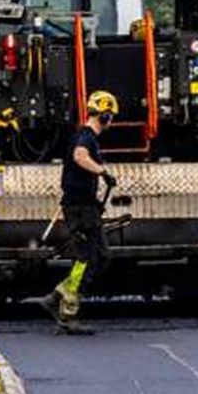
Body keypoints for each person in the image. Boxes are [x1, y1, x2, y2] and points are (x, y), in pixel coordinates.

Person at [40, 90, 119, 335]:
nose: (111, 121)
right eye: (111, 116)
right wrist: (102, 172)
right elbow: (79, 156)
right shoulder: (85, 137)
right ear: (104, 116)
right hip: (80, 208)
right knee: (87, 258)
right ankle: (66, 309)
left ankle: (59, 297)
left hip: (84, 207)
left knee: (98, 256)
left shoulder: (85, 136)